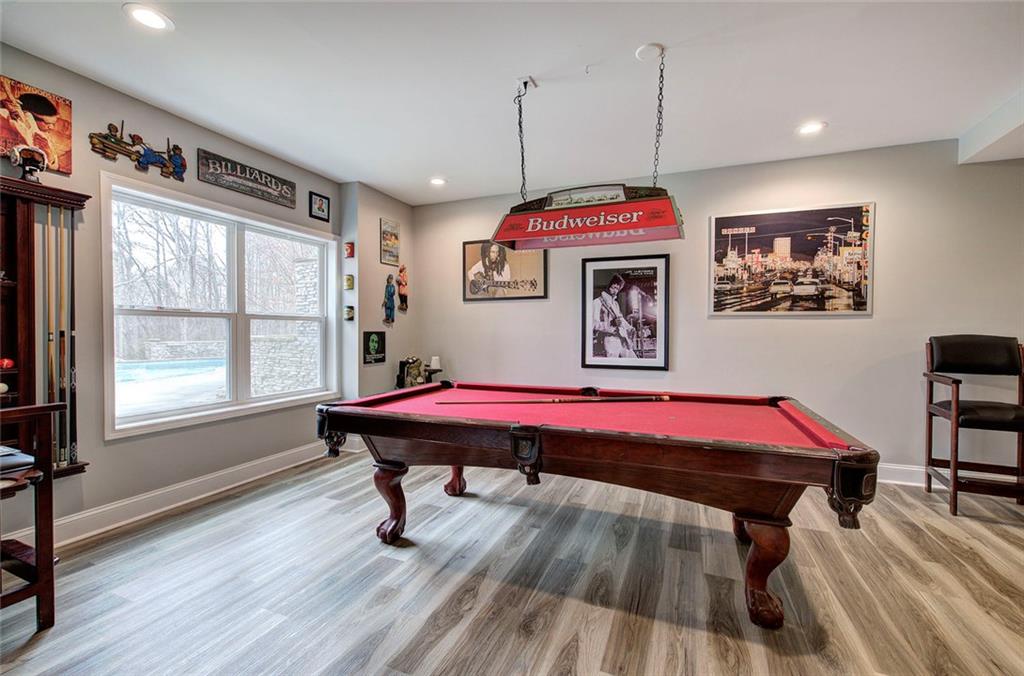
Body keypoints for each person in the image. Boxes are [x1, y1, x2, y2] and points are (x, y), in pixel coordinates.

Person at [592, 273, 637, 358]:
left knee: (634, 360)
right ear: (609, 285)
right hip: (609, 339)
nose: (615, 290)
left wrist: (630, 328)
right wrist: (610, 324)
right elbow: (593, 324)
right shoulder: (597, 302)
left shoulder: (615, 304)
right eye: (614, 287)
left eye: (618, 288)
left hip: (622, 338)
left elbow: (621, 320)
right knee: (613, 364)